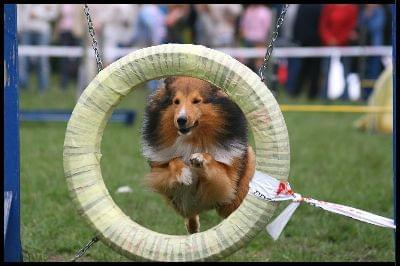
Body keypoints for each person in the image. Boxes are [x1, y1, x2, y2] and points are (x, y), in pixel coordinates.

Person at [319, 4, 359, 100]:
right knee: (325, 70)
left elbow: (351, 27)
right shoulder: (329, 7)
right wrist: (329, 39)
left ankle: (345, 95)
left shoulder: (352, 8)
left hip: (345, 45)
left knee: (346, 71)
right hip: (328, 44)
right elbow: (323, 25)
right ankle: (324, 94)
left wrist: (339, 40)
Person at [17, 4, 58, 92]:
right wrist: (20, 27)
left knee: (42, 60)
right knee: (22, 60)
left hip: (43, 30)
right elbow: (19, 12)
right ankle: (22, 86)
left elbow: (54, 14)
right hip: (25, 30)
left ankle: (43, 87)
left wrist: (38, 14)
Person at [285, 4, 323, 99]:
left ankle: (301, 92)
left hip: (312, 42)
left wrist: (297, 38)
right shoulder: (317, 6)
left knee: (308, 70)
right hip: (312, 41)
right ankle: (306, 93)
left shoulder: (303, 7)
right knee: (308, 69)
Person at [359, 4, 387, 100]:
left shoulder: (379, 11)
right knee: (364, 73)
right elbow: (359, 25)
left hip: (375, 47)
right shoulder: (364, 11)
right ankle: (364, 96)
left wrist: (368, 17)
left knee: (374, 73)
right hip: (364, 47)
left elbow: (376, 26)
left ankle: (374, 97)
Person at [55, 4, 83, 91]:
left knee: (78, 59)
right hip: (64, 31)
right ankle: (64, 83)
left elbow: (82, 16)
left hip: (76, 32)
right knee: (64, 59)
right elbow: (58, 16)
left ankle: (78, 82)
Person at [239, 4, 272, 72]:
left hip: (261, 43)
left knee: (259, 64)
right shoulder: (248, 10)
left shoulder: (265, 11)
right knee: (240, 61)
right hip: (247, 42)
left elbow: (268, 30)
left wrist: (262, 44)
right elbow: (242, 28)